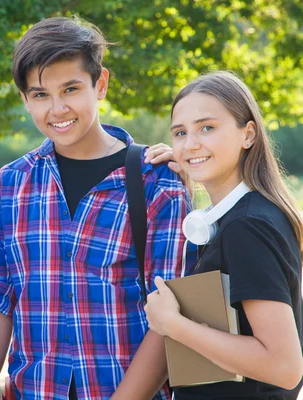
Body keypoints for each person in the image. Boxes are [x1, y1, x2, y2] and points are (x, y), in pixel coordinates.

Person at [0, 16, 190, 400]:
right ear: (24, 99)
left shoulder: (158, 184)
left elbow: (170, 319)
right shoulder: (11, 185)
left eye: (71, 88)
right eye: (39, 94)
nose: (57, 109)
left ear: (100, 84)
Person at [144, 71, 303, 399]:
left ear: (248, 135)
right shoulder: (245, 215)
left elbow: (284, 367)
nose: (190, 143)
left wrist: (174, 326)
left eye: (207, 128)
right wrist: (192, 161)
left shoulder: (247, 227)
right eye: (180, 133)